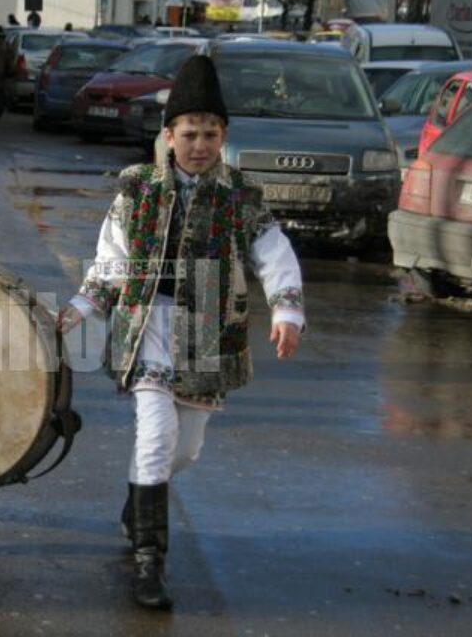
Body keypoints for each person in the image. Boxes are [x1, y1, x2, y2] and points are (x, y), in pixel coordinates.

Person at [57, 56, 304, 610]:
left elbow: (273, 254)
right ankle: (149, 562)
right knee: (155, 437)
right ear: (168, 136)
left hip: (209, 331)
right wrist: (80, 309)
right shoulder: (137, 190)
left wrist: (287, 312)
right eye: (188, 133)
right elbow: (110, 264)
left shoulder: (240, 194)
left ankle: (138, 500)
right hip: (147, 325)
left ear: (223, 137)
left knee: (185, 450)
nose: (199, 144)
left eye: (210, 134)